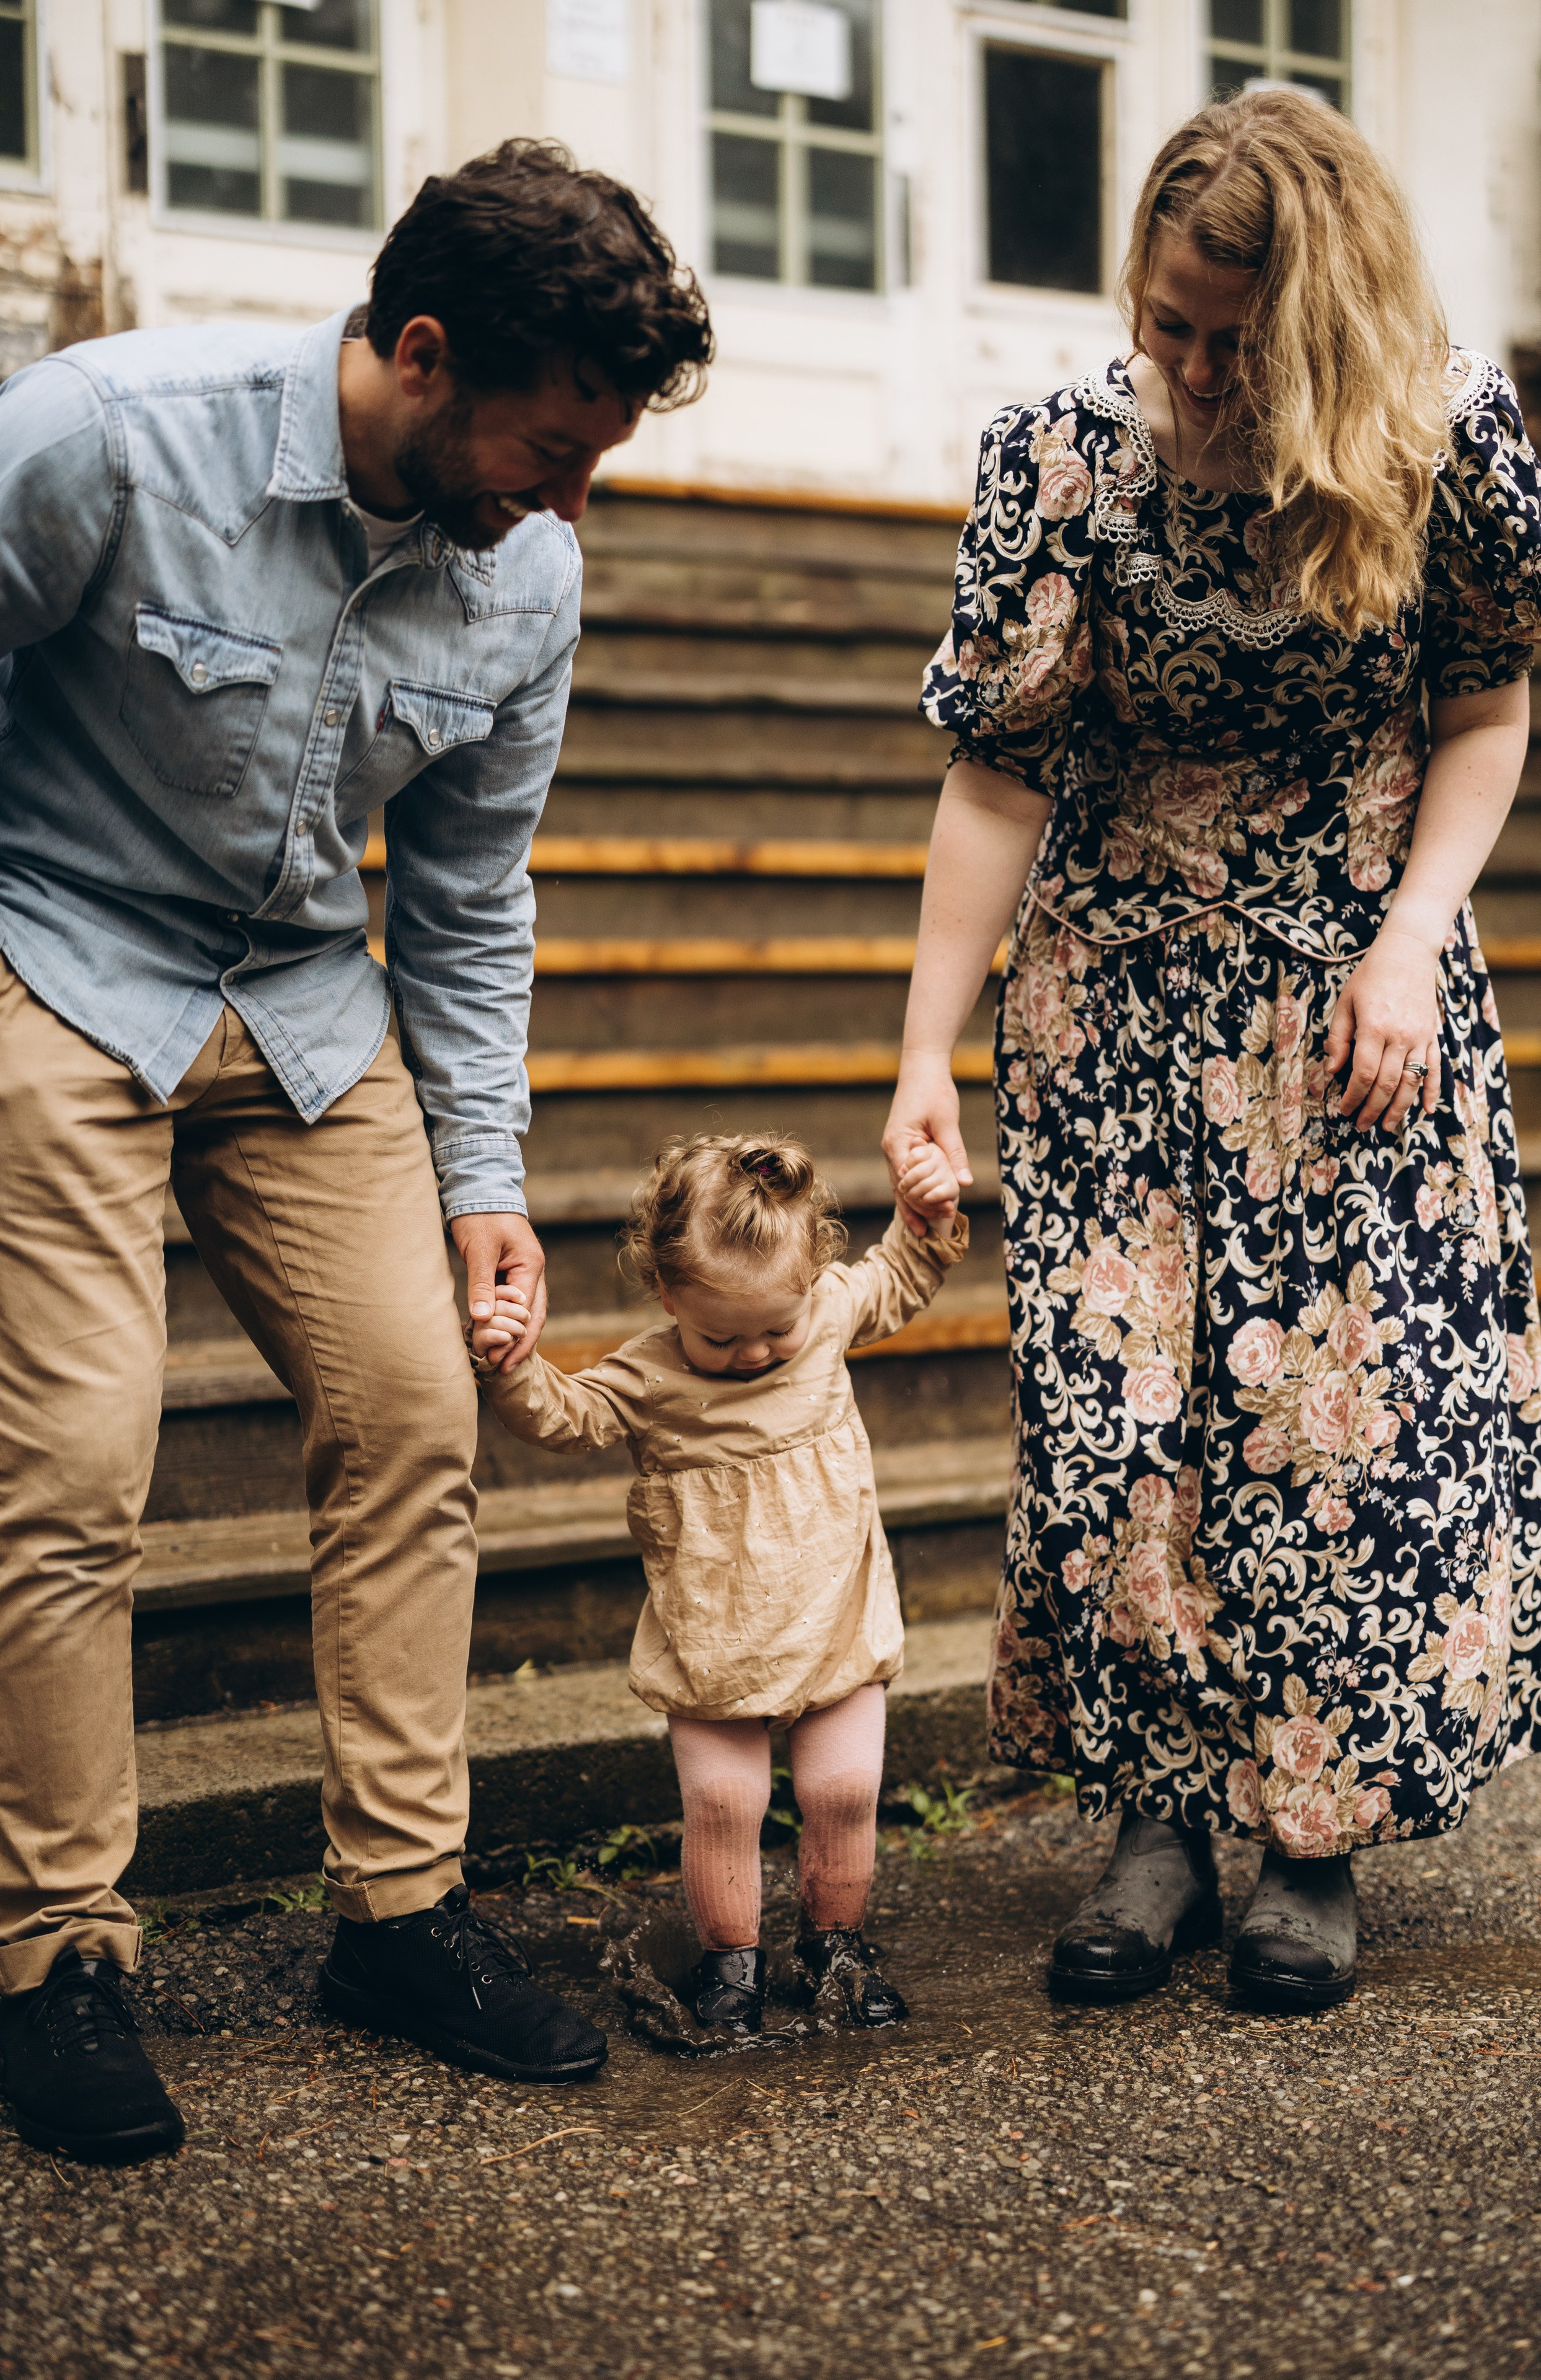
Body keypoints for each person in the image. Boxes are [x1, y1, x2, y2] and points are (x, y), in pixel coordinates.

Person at [0, 139, 712, 2161]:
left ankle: (397, 1911)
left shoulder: (527, 570)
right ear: (424, 353)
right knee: (81, 1450)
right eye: (552, 450)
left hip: (301, 998)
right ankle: (54, 1956)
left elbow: (467, 899)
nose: (570, 508)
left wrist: (483, 1187)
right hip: (47, 946)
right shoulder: (104, 440)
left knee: (412, 1411)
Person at [883, 88, 1541, 2012]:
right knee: (1119, 1425)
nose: (1183, 364)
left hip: (1358, 997)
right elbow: (999, 775)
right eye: (1162, 320)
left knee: (1338, 1423)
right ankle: (1158, 1821)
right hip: (1108, 992)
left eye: (1229, 340)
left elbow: (1489, 712)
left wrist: (1415, 938)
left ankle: (1310, 1840)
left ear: (1319, 316)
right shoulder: (1060, 462)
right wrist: (928, 1055)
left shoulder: (1445, 439)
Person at [474, 1132, 966, 2034]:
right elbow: (565, 1416)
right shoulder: (648, 1375)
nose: (753, 1355)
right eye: (720, 1337)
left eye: (775, 1330)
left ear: (811, 1283)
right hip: (716, 1636)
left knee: (844, 1792)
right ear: (668, 1294)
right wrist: (511, 1365)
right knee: (724, 1802)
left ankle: (837, 1947)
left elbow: (900, 1275)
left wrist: (926, 1216)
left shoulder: (829, 1311)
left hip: (836, 1622)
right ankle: (730, 1964)